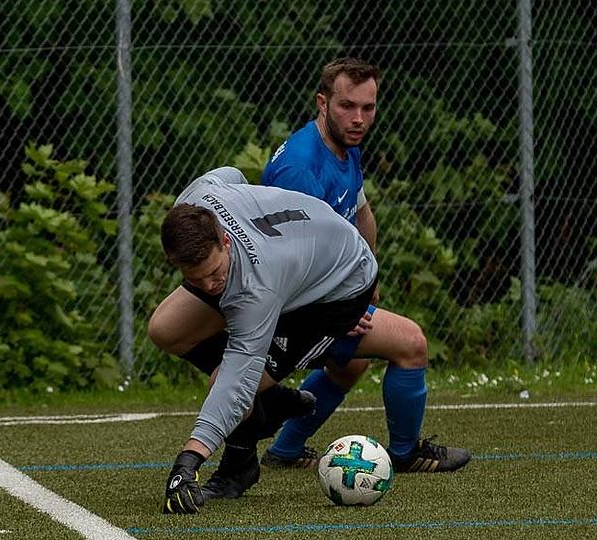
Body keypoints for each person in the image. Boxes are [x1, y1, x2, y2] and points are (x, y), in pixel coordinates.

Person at [157, 166, 469, 515]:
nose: (209, 286)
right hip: (293, 265)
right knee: (165, 329)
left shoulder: (258, 285)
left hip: (335, 295)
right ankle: (273, 400)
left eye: (214, 273)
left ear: (225, 241)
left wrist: (190, 459)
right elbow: (230, 174)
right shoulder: (196, 201)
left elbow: (236, 378)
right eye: (196, 279)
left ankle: (238, 468)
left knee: (230, 382)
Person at [258, 57, 470, 475]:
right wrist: (341, 309)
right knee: (412, 343)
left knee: (350, 364)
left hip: (324, 296)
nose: (358, 118)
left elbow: (361, 213)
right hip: (291, 308)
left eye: (368, 107)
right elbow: (289, 263)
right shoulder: (300, 169)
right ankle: (406, 454)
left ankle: (286, 450)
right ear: (322, 103)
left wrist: (366, 277)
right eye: (347, 106)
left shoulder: (344, 144)